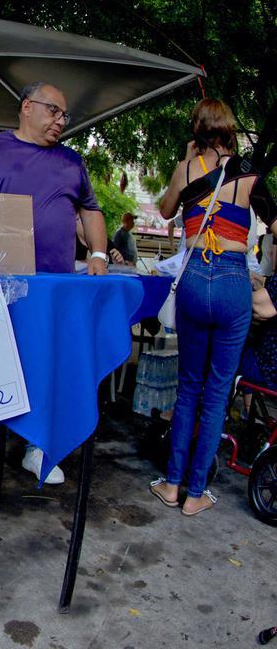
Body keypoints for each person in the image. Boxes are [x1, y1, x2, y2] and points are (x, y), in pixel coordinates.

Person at [0, 81, 109, 485]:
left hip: (53, 285)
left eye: (64, 115)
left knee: (45, 361)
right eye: (54, 111)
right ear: (26, 107)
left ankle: (38, 447)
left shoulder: (72, 162)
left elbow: (91, 211)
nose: (61, 121)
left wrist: (97, 253)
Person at [150, 98, 276, 516]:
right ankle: (196, 493)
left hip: (191, 280)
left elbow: (166, 211)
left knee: (188, 386)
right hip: (231, 279)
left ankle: (171, 484)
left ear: (198, 128)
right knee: (218, 390)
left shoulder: (186, 170)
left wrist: (186, 163)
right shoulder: (249, 175)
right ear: (229, 129)